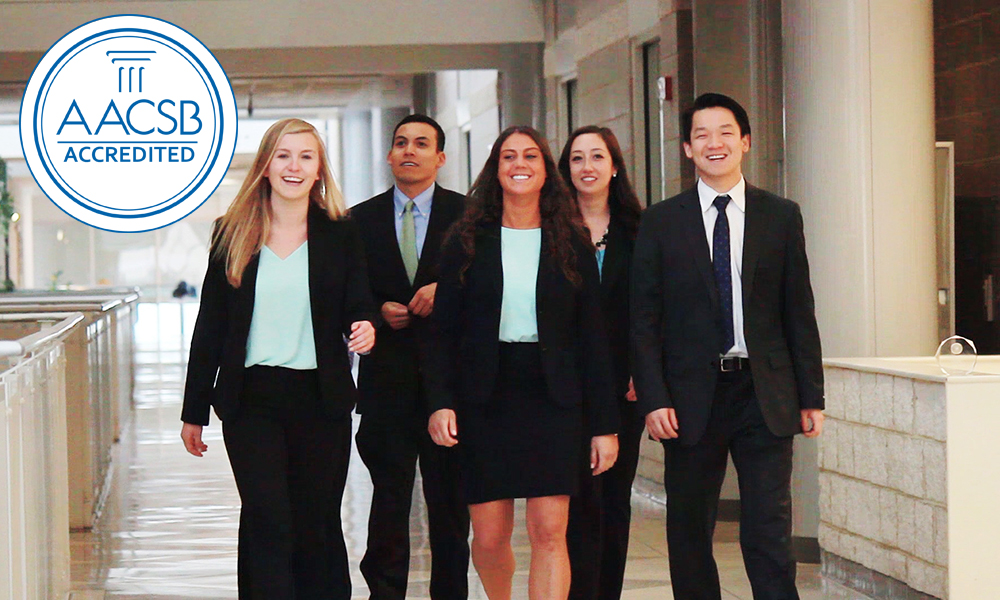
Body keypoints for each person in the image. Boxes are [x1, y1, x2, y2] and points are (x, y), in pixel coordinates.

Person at [630, 92, 825, 600]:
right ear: (688, 149)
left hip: (764, 392)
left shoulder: (780, 216)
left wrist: (812, 395)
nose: (713, 143)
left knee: (769, 526)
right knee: (690, 530)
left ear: (745, 142)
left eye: (724, 133)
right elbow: (644, 319)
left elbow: (798, 310)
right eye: (701, 135)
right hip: (691, 396)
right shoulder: (660, 222)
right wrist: (653, 397)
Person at [179, 118, 376, 599]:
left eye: (306, 156)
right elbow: (211, 327)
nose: (294, 166)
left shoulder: (340, 235)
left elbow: (360, 303)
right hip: (252, 401)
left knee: (316, 521)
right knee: (268, 518)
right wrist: (193, 411)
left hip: (319, 398)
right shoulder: (232, 233)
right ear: (266, 165)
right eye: (283, 155)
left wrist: (366, 326)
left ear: (318, 170)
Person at [427, 125, 619, 600]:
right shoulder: (465, 242)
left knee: (550, 531)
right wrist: (440, 402)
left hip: (554, 396)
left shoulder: (570, 242)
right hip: (485, 396)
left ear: (545, 171)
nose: (519, 164)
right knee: (490, 537)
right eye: (508, 156)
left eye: (530, 156)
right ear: (495, 169)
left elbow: (594, 339)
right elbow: (441, 335)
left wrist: (605, 425)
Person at [350, 114, 470, 599]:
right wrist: (375, 312)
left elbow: (490, 290)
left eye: (422, 144)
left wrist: (447, 290)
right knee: (389, 503)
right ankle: (384, 592)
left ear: (439, 157)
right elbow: (345, 294)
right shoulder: (358, 221)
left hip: (449, 390)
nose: (409, 151)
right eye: (401, 143)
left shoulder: (469, 217)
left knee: (449, 508)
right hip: (386, 387)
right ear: (389, 155)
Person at [558, 126, 643, 600]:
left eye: (597, 156)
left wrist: (643, 369)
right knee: (571, 501)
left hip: (622, 385)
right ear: (565, 170)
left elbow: (655, 307)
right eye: (576, 158)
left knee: (613, 499)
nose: (586, 167)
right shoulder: (548, 228)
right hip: (563, 386)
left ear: (614, 165)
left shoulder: (641, 228)